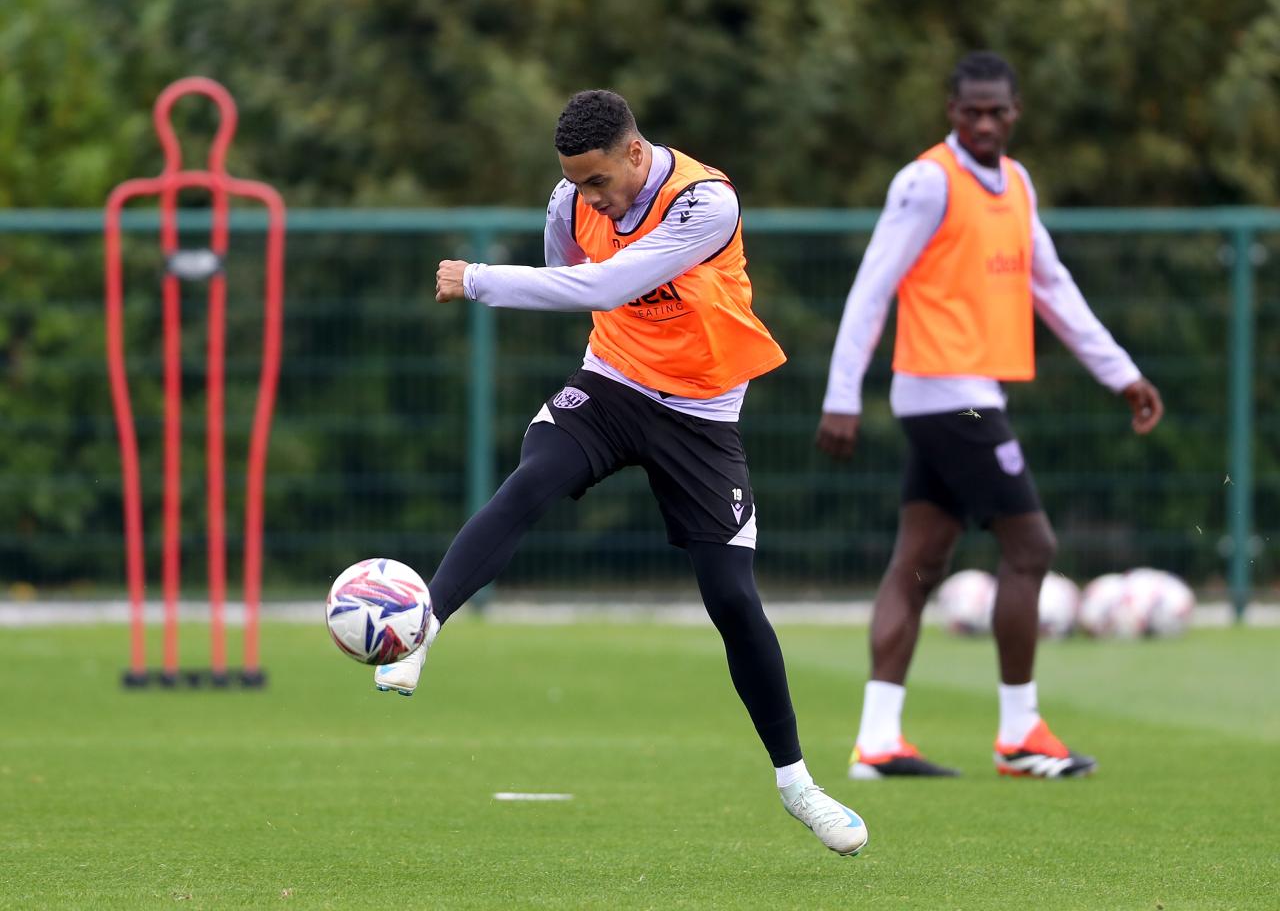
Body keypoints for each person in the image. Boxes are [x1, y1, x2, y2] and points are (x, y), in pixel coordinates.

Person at [376, 90, 867, 855]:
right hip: (611, 384)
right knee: (532, 479)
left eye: (599, 181)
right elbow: (566, 273)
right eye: (576, 183)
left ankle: (797, 784)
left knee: (733, 599)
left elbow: (603, 285)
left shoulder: (706, 203)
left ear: (635, 153)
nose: (589, 197)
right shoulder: (571, 200)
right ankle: (420, 626)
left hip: (702, 413)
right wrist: (573, 276)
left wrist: (476, 279)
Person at [818, 52, 1164, 780]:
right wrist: (841, 394)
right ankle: (1019, 733)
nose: (982, 122)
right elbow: (871, 288)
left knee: (919, 561)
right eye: (969, 110)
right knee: (1032, 548)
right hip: (949, 395)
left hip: (965, 395)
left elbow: (1053, 286)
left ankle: (878, 741)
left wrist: (1122, 373)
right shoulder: (924, 183)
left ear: (1015, 113)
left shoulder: (1018, 184)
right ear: (949, 109)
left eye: (995, 111)